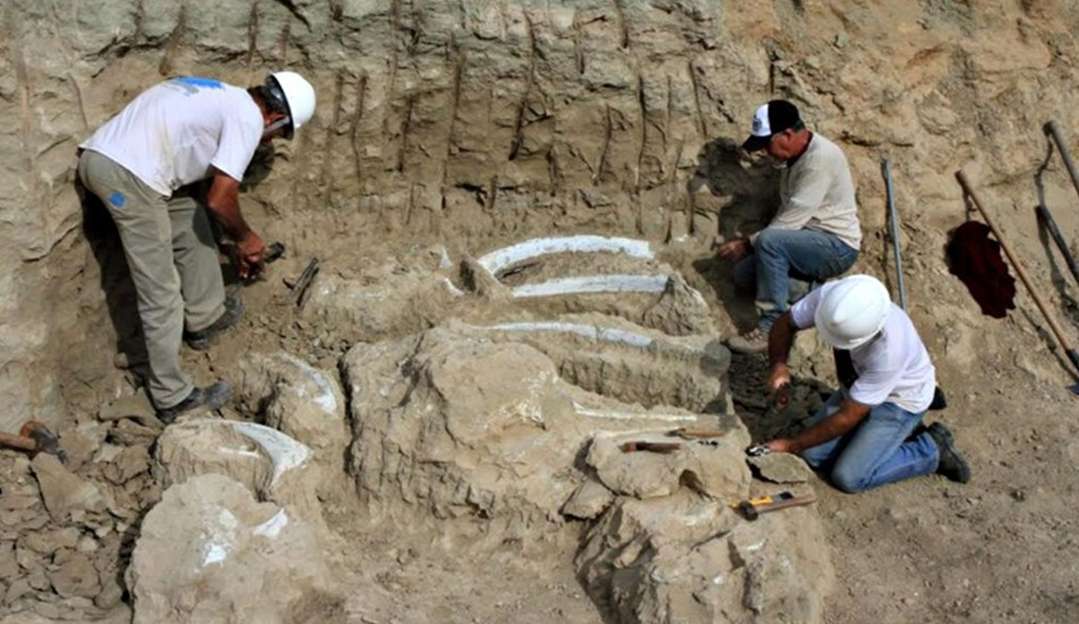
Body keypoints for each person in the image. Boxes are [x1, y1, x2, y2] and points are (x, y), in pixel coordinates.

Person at [77, 72, 316, 421]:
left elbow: (206, 197)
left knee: (189, 213)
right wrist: (247, 239)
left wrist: (229, 242)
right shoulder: (248, 119)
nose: (269, 142)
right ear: (276, 118)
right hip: (127, 178)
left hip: (115, 163)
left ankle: (206, 317)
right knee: (161, 291)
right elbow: (222, 198)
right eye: (279, 135)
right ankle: (172, 397)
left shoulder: (222, 95)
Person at [759, 274, 970, 493]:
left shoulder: (889, 351)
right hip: (860, 386)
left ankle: (931, 449)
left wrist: (791, 445)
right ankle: (874, 439)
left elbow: (847, 416)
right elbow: (784, 323)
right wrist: (779, 367)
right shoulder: (835, 300)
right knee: (813, 455)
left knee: (848, 477)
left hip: (900, 401)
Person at [719, 99, 861, 354]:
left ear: (787, 134)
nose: (765, 152)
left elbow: (790, 221)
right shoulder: (793, 159)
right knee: (744, 275)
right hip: (806, 243)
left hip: (835, 246)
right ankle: (823, 294)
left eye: (767, 144)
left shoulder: (819, 159)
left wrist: (746, 244)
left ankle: (771, 326)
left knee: (768, 241)